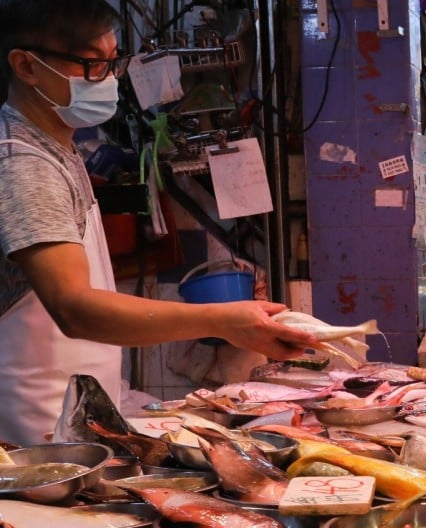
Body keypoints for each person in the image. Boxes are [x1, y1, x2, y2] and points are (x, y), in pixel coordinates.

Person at [0, 0, 317, 445]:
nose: (108, 81)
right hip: (35, 437)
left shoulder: (56, 148)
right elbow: (73, 308)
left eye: (114, 63)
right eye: (93, 65)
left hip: (72, 424)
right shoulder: (23, 165)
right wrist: (223, 320)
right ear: (26, 66)